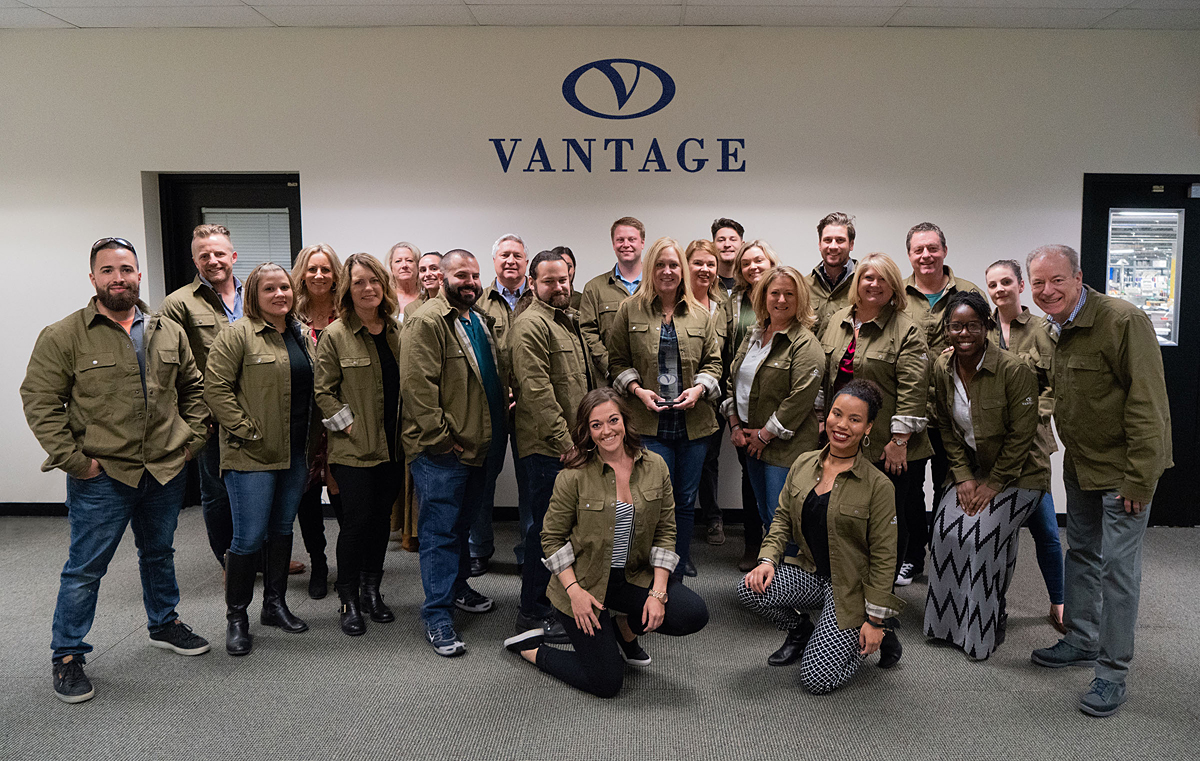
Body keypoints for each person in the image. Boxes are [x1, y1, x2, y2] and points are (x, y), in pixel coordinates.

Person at [21, 237, 211, 703]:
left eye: (126, 269)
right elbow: (40, 401)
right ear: (93, 278)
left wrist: (191, 443)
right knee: (86, 569)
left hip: (164, 470)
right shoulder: (64, 335)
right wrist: (75, 462)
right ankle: (68, 655)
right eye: (107, 270)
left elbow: (194, 389)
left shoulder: (168, 330)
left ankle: (164, 623)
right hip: (103, 475)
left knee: (159, 553)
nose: (118, 278)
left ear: (138, 275)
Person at [1027, 244, 1172, 718]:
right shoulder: (1053, 327)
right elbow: (1061, 390)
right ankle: (1082, 639)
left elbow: (1149, 404)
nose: (1047, 290)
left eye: (1057, 280)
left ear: (1079, 278)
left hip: (1124, 472)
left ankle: (1112, 673)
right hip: (1081, 465)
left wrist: (1140, 479)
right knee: (1083, 553)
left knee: (1118, 570)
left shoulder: (1123, 320)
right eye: (1039, 282)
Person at [504, 388, 709, 698]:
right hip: (584, 584)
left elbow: (666, 531)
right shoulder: (573, 475)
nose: (607, 431)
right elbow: (551, 538)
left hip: (632, 577)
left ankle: (622, 630)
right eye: (596, 425)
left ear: (625, 420)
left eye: (613, 420)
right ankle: (531, 650)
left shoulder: (655, 467)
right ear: (587, 431)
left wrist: (658, 593)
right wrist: (574, 592)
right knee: (606, 682)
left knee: (692, 613)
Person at [738, 380, 903, 694]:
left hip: (851, 590)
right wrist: (767, 560)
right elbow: (781, 519)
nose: (841, 425)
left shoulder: (878, 486)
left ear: (868, 427)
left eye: (854, 419)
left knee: (817, 680)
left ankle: (876, 633)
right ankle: (802, 631)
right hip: (811, 575)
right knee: (750, 588)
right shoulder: (803, 463)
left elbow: (885, 559)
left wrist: (875, 620)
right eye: (836, 414)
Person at [820, 251, 931, 668]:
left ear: (894, 287)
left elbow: (915, 386)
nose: (873, 284)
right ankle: (848, 599)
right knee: (847, 518)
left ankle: (880, 611)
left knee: (885, 529)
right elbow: (826, 375)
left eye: (882, 279)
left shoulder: (907, 328)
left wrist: (900, 438)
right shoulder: (837, 319)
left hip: (889, 445)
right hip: (844, 438)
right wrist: (822, 420)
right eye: (867, 277)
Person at [923, 291, 1046, 660]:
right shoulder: (942, 368)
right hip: (972, 470)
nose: (964, 334)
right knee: (944, 530)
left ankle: (982, 628)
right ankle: (946, 626)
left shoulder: (1014, 370)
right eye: (956, 326)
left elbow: (1022, 437)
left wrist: (993, 484)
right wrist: (963, 477)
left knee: (982, 534)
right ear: (947, 329)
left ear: (987, 327)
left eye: (973, 326)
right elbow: (947, 428)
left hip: (1021, 473)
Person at [205, 263, 317, 655]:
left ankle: (274, 605)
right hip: (251, 454)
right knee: (249, 536)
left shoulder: (300, 334)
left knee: (282, 529)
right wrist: (246, 430)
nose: (279, 294)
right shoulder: (237, 334)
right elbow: (215, 389)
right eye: (269, 288)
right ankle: (237, 618)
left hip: (295, 451)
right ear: (254, 294)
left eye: (284, 287)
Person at [401, 249, 504, 656]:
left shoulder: (477, 319)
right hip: (443, 451)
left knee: (460, 527)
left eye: (475, 275)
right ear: (442, 278)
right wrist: (442, 439)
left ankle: (457, 588)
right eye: (462, 274)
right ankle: (437, 616)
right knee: (439, 533)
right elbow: (417, 387)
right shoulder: (427, 320)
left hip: (479, 444)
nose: (471, 282)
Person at [608, 236, 722, 579]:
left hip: (693, 424)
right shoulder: (629, 309)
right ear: (650, 269)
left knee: (685, 500)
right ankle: (649, 568)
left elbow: (714, 362)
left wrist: (699, 389)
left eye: (674, 265)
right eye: (660, 265)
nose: (668, 271)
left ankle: (678, 565)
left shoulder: (700, 313)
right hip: (648, 422)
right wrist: (637, 390)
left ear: (682, 270)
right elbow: (617, 361)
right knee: (653, 500)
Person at [508, 249, 598, 644]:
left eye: (563, 279)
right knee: (545, 532)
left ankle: (554, 602)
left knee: (561, 531)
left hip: (574, 445)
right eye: (549, 281)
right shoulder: (531, 325)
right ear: (532, 284)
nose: (559, 286)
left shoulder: (567, 320)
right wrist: (567, 444)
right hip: (549, 449)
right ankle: (532, 611)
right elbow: (537, 393)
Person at [313, 253, 404, 637]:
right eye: (359, 282)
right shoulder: (336, 335)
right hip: (354, 450)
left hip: (394, 447)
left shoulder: (397, 331)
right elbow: (324, 392)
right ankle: (348, 598)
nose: (368, 288)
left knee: (381, 521)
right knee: (356, 524)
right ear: (347, 291)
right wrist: (350, 427)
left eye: (374, 281)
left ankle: (371, 590)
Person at [897, 222, 984, 587]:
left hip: (954, 413)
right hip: (913, 412)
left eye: (932, 248)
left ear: (944, 251)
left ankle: (948, 558)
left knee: (951, 487)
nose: (926, 256)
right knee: (908, 491)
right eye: (918, 249)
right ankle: (912, 557)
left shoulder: (968, 292)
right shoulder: (897, 294)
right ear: (909, 254)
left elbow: (988, 345)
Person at [984, 259, 1065, 633]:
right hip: (990, 450)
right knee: (999, 533)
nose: (999, 289)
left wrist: (1029, 416)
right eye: (993, 284)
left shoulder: (1042, 331)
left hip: (1032, 448)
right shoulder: (980, 330)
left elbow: (1054, 386)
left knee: (1046, 530)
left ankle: (1059, 602)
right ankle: (993, 605)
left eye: (1006, 282)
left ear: (1020, 285)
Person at [160, 224, 245, 570]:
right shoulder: (178, 304)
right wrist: (192, 417)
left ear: (233, 256)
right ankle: (231, 564)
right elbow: (170, 367)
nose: (213, 260)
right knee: (218, 492)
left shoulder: (256, 296)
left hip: (259, 411)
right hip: (210, 417)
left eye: (219, 253)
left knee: (260, 489)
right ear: (195, 260)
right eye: (204, 255)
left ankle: (265, 557)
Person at [723, 265, 825, 535]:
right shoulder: (754, 334)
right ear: (763, 297)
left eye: (789, 294)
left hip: (785, 448)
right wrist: (735, 425)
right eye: (775, 293)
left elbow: (800, 398)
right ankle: (772, 561)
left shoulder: (805, 344)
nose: (781, 300)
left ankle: (789, 564)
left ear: (800, 299)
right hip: (752, 442)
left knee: (783, 519)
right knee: (766, 515)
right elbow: (733, 380)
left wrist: (765, 435)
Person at [471, 234, 533, 577]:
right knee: (482, 480)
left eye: (517, 255)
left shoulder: (539, 297)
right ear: (494, 261)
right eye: (504, 255)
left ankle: (529, 551)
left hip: (531, 406)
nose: (511, 260)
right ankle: (478, 549)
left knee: (531, 482)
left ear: (526, 262)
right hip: (489, 406)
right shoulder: (477, 302)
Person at [289, 244, 344, 600]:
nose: (319, 275)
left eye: (326, 269)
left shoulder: (347, 311)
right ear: (302, 274)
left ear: (335, 274)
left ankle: (350, 565)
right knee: (306, 498)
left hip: (341, 418)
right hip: (304, 419)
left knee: (345, 496)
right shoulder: (290, 314)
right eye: (312, 269)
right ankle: (319, 564)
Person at [724, 239, 781, 571]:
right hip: (742, 398)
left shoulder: (786, 294)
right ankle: (752, 542)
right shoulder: (734, 301)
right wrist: (732, 414)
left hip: (776, 399)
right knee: (751, 476)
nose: (753, 267)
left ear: (771, 262)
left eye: (759, 260)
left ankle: (780, 552)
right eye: (746, 263)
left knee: (779, 479)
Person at [685, 238, 728, 547]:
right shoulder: (676, 302)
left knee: (709, 459)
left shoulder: (723, 307)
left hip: (714, 397)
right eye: (698, 262)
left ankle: (713, 517)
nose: (705, 269)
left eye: (710, 264)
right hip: (681, 398)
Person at [579, 216, 645, 380]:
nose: (626, 244)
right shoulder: (594, 288)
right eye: (620, 240)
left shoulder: (657, 285)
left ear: (642, 243)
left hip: (651, 378)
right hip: (610, 380)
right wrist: (612, 368)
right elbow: (587, 332)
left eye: (632, 239)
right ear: (613, 244)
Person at [807, 212, 858, 338]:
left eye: (840, 240)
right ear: (820, 245)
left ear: (851, 244)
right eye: (827, 240)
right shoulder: (804, 285)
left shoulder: (865, 284)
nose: (833, 246)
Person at [403, 251, 444, 321]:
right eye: (423, 270)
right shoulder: (412, 309)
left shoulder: (457, 304)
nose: (427, 274)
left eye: (434, 269)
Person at [388, 241, 423, 318]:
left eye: (409, 260)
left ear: (418, 266)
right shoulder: (385, 299)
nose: (404, 265)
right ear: (391, 268)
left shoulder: (427, 299)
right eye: (398, 261)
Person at [711, 217, 745, 296]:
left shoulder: (749, 282)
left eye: (733, 239)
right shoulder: (706, 282)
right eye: (721, 240)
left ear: (742, 245)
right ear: (712, 245)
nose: (727, 244)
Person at [552, 245, 584, 310]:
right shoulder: (542, 298)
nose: (565, 270)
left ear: (574, 269)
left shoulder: (582, 300)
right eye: (560, 266)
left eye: (569, 266)